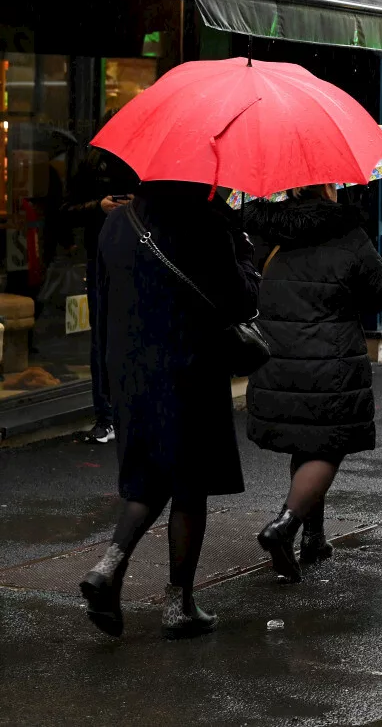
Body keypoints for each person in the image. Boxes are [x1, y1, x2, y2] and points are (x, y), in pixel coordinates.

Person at [79, 181, 260, 638]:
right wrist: (242, 253)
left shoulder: (117, 222)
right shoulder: (206, 222)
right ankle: (179, 604)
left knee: (148, 471)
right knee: (188, 483)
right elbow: (240, 300)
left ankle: (110, 565)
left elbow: (104, 295)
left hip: (127, 364)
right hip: (188, 365)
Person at [244, 184, 382, 581]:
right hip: (331, 361)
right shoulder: (346, 233)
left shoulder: (265, 229)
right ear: (326, 187)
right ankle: (286, 525)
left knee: (308, 440)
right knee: (328, 444)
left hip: (276, 357)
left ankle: (314, 536)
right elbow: (381, 293)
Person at [60, 140, 138, 444]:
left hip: (137, 257)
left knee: (130, 334)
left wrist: (138, 203)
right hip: (102, 258)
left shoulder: (146, 167)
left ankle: (124, 412)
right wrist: (100, 207)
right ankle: (106, 415)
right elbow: (66, 209)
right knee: (102, 337)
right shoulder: (92, 162)